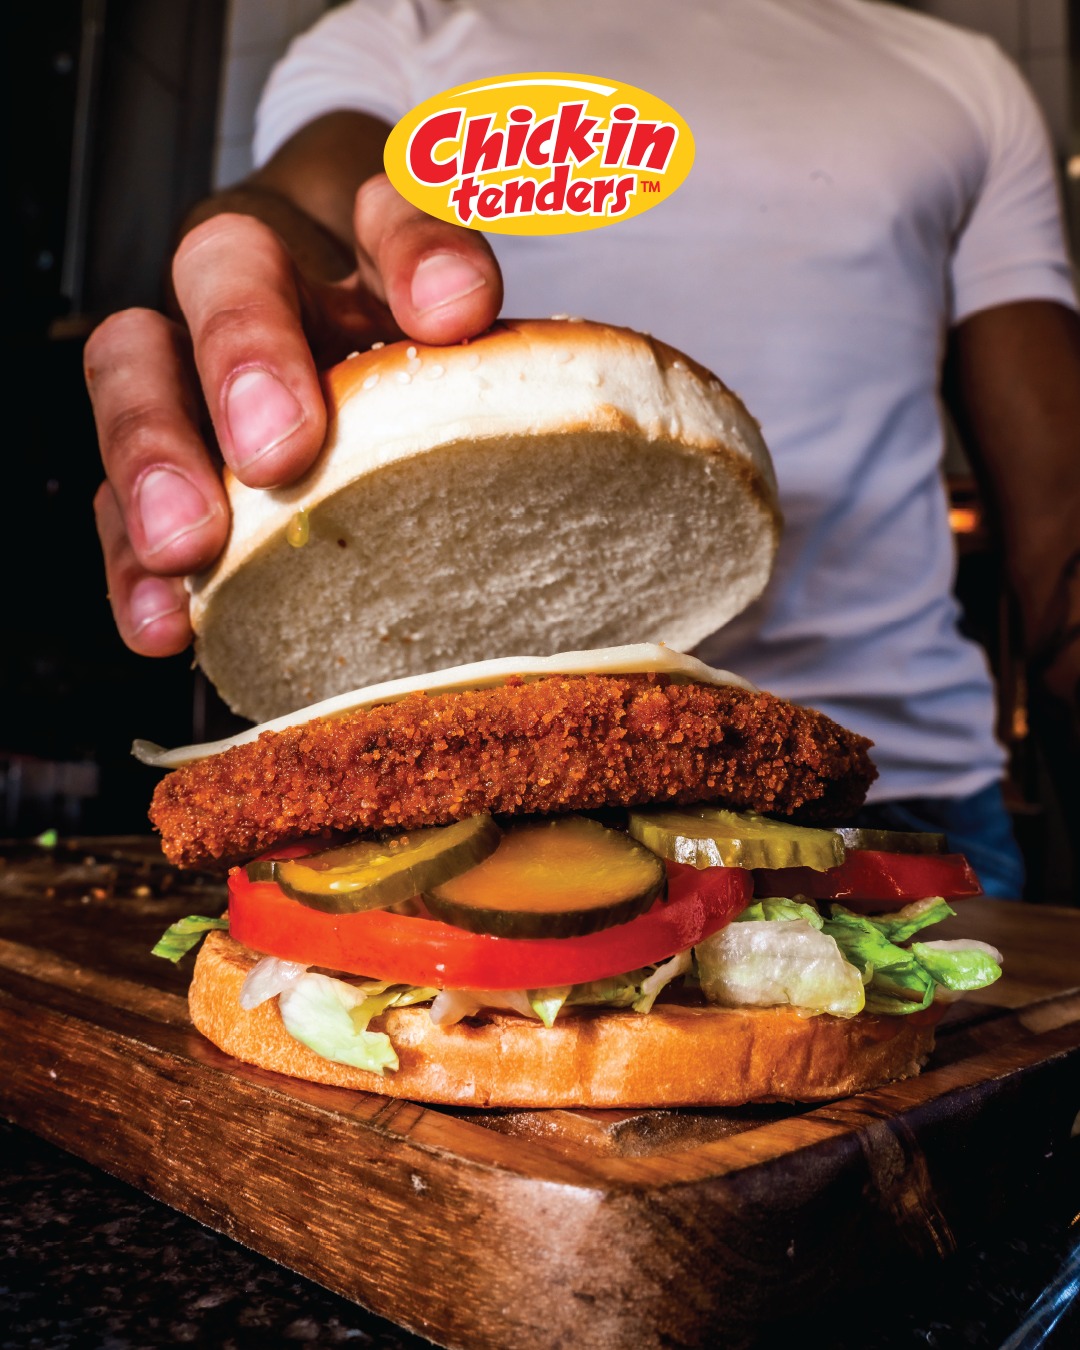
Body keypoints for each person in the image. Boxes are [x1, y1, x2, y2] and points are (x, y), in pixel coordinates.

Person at [85, 0, 1080, 897]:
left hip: (908, 817)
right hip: (412, 827)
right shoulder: (400, 32)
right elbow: (292, 209)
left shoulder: (965, 81)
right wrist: (239, 277)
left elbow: (1060, 527)